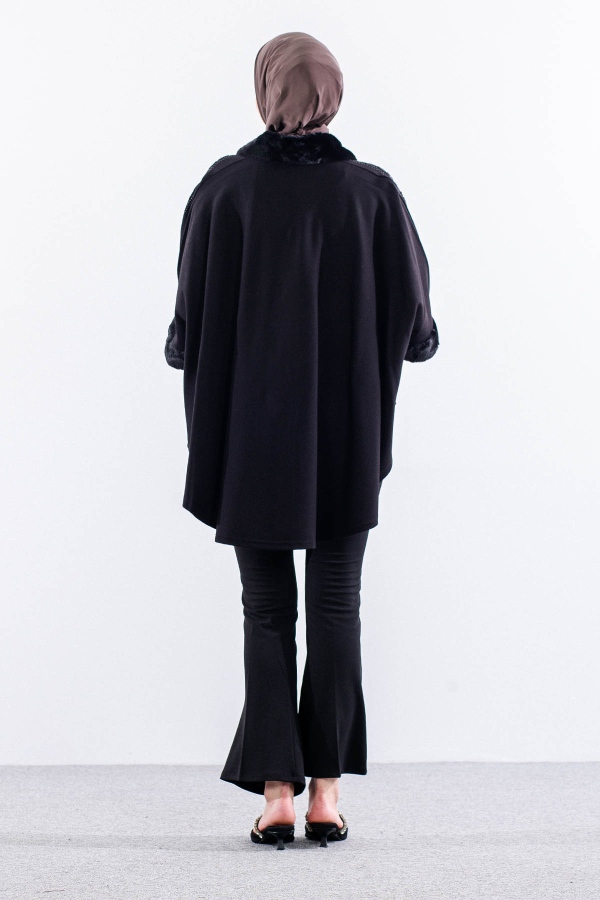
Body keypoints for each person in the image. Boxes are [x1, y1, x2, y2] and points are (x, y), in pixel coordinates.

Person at [164, 31, 439, 848]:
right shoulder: (371, 193)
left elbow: (186, 328)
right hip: (345, 436)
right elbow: (418, 329)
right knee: (337, 603)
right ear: (333, 95)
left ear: (265, 93)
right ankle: (326, 794)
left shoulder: (224, 189)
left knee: (265, 610)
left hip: (250, 439)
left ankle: (275, 796)